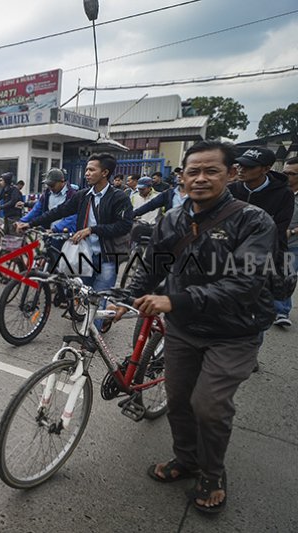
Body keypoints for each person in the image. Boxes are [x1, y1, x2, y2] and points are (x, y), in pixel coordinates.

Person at [118, 140, 277, 514]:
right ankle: (186, 460)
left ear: (231, 174)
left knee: (209, 405)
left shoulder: (254, 221)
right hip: (183, 329)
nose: (201, 179)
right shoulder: (172, 218)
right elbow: (153, 266)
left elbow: (245, 284)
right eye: (193, 172)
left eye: (211, 171)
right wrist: (123, 298)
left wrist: (175, 300)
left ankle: (212, 473)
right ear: (183, 176)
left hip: (234, 332)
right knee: (178, 401)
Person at [25, 153, 133, 294]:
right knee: (83, 297)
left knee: (100, 301)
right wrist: (30, 223)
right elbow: (60, 211)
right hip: (85, 255)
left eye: (92, 170)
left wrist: (92, 230)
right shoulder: (83, 195)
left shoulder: (119, 198)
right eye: (86, 170)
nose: (87, 174)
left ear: (105, 173)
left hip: (107, 258)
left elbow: (124, 226)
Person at [227, 147, 295, 329]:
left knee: (254, 316)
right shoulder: (230, 190)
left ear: (266, 169)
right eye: (240, 165)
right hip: (226, 257)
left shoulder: (283, 194)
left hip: (263, 259)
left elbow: (278, 231)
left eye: (249, 166)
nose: (241, 170)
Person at [16, 168, 77, 238]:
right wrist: (22, 222)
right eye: (48, 185)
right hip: (48, 233)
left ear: (62, 181)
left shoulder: (72, 195)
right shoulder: (47, 193)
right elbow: (36, 209)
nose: (50, 188)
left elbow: (71, 218)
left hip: (65, 235)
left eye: (52, 185)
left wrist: (55, 229)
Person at [282, 156, 298, 326]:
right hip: (275, 242)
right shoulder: (279, 192)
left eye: (291, 174)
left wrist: (292, 231)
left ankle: (281, 310)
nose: (286, 176)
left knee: (288, 274)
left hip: (294, 244)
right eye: (284, 172)